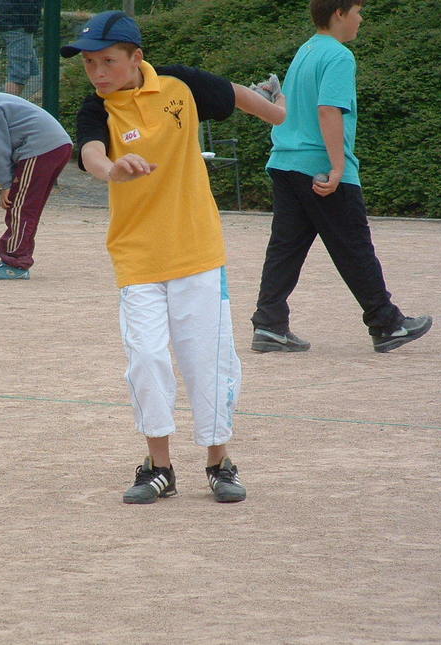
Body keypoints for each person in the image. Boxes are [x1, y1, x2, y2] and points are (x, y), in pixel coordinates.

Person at [61, 11, 286, 504]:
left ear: (136, 58)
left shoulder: (180, 85)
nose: (97, 72)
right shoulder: (96, 109)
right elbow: (91, 153)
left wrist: (278, 113)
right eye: (89, 63)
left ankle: (219, 462)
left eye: (108, 61)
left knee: (207, 360)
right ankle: (159, 468)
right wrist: (112, 169)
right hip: (137, 255)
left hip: (197, 250)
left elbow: (237, 95)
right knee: (146, 359)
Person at [249, 0, 432, 355]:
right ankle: (387, 324)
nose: (361, 19)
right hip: (319, 165)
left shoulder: (306, 51)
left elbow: (291, 107)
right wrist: (337, 168)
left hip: (286, 161)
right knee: (354, 246)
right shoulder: (338, 55)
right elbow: (328, 109)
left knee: (285, 248)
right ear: (339, 13)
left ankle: (269, 324)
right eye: (358, 11)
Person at [0, 72, 72, 280]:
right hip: (55, 146)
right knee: (27, 204)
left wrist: (6, 184)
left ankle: (15, 262)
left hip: (39, 148)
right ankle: (17, 256)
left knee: (21, 207)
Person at [0, 0, 41, 96]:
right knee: (18, 74)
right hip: (18, 24)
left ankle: (14, 100)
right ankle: (9, 104)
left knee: (30, 67)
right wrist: (31, 23)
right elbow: (27, 5)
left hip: (11, 21)